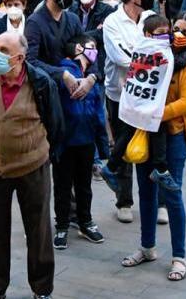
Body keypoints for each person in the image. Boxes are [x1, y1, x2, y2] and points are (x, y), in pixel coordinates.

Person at [0, 31, 63, 299]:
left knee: (38, 231)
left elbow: (56, 125)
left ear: (20, 57)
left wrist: (46, 157)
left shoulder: (40, 83)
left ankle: (42, 289)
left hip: (32, 167)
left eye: (4, 49)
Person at [119, 11, 186, 282]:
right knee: (145, 191)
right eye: (175, 28)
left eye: (185, 31)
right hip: (147, 133)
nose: (177, 34)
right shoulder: (155, 56)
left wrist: (152, 112)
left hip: (174, 135)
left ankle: (179, 256)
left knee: (172, 194)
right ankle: (147, 247)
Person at [102, 0, 156, 223]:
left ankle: (157, 201)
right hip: (120, 92)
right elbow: (119, 57)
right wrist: (148, 59)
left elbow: (160, 46)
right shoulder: (113, 22)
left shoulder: (150, 17)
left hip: (148, 92)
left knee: (153, 146)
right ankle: (124, 200)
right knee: (123, 145)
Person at [52, 34, 108, 250]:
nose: (94, 51)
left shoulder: (90, 76)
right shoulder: (64, 72)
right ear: (77, 48)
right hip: (66, 141)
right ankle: (62, 225)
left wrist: (101, 145)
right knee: (63, 186)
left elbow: (98, 113)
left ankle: (85, 222)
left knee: (84, 186)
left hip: (86, 140)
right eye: (90, 47)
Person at [25, 0, 85, 93]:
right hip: (48, 88)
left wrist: (91, 77)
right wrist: (62, 74)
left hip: (74, 86)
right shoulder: (34, 22)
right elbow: (30, 60)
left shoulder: (73, 19)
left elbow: (86, 45)